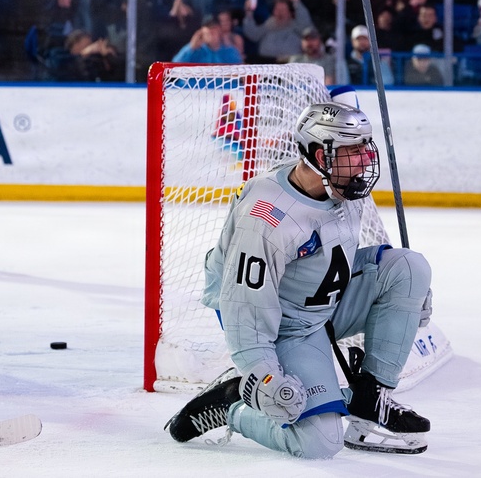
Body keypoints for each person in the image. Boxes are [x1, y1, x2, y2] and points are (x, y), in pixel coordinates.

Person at [165, 87, 433, 458]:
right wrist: (262, 375)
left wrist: (411, 293)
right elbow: (244, 309)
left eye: (365, 147)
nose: (366, 159)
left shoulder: (340, 184)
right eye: (354, 150)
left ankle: (368, 401)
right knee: (319, 444)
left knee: (409, 267)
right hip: (283, 325)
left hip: (324, 299)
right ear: (321, 155)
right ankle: (234, 404)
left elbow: (348, 253)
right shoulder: (267, 220)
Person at [172, 10, 244, 64]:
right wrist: (191, 47)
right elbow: (174, 67)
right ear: (202, 31)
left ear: (220, 30)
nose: (211, 31)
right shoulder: (195, 50)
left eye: (214, 28)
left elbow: (240, 73)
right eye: (208, 28)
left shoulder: (229, 51)